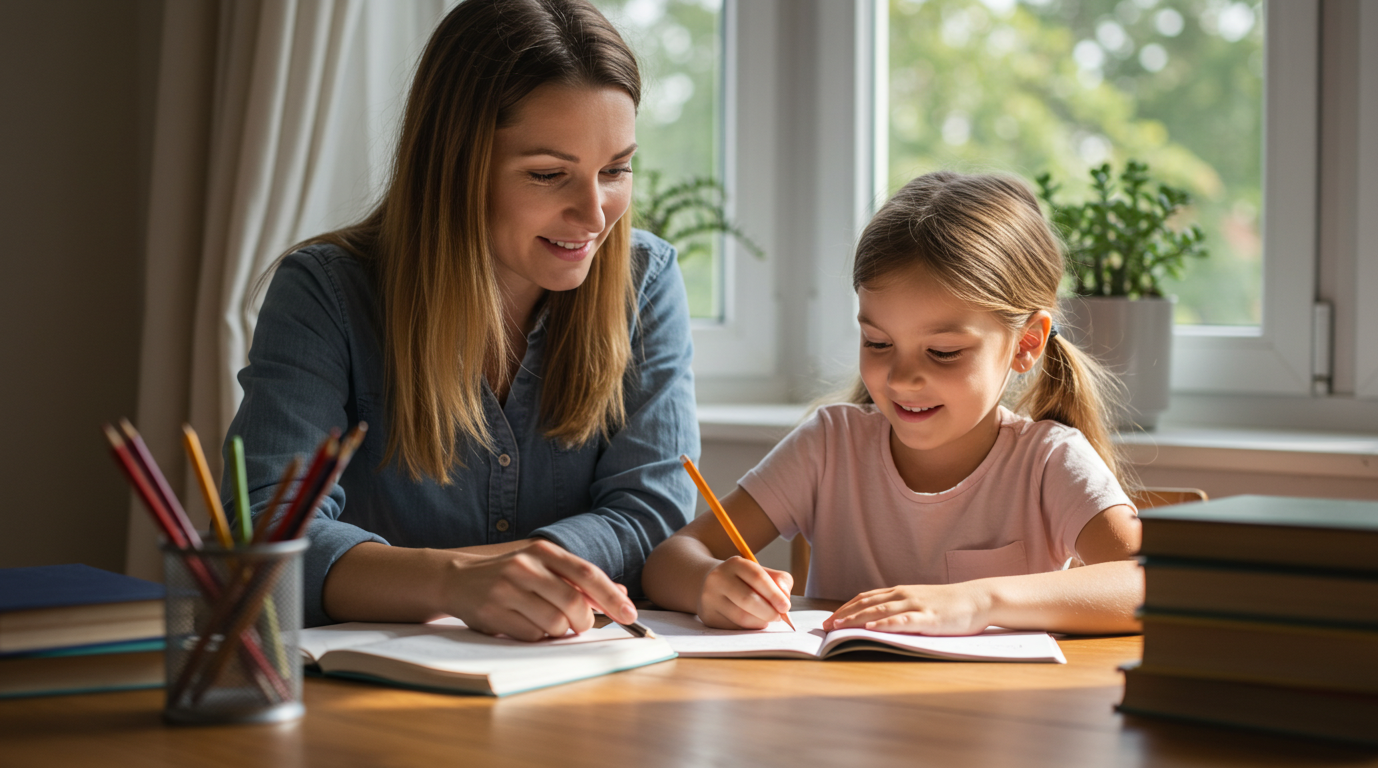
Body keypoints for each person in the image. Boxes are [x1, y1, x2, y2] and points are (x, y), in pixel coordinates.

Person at [223, 0, 699, 639]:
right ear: (455, 166)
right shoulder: (326, 293)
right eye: (548, 174)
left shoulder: (646, 281)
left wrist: (496, 574)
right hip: (365, 688)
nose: (595, 215)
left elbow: (654, 515)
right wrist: (452, 581)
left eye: (615, 170)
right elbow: (267, 534)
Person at [642, 171, 1143, 636]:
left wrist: (979, 601)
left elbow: (1150, 581)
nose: (902, 378)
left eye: (943, 352)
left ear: (1026, 343)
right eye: (878, 343)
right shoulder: (829, 446)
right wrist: (709, 584)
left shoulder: (1049, 461)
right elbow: (669, 560)